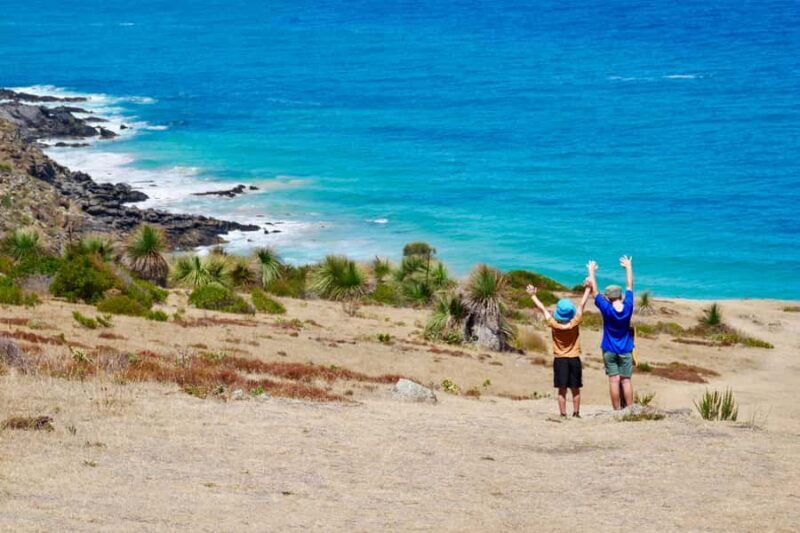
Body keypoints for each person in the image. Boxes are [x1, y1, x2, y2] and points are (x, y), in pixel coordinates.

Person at [526, 281, 592, 418]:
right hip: (574, 358)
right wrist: (588, 289)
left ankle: (562, 414)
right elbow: (582, 305)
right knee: (575, 389)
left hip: (560, 359)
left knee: (562, 390)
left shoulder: (554, 324)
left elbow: (543, 309)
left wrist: (533, 296)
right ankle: (576, 413)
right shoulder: (575, 322)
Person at [586, 256, 635, 410]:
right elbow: (630, 285)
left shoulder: (606, 308)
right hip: (626, 348)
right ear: (620, 296)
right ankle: (630, 409)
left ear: (607, 298)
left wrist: (591, 271)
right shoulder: (628, 306)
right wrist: (628, 266)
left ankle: (616, 411)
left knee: (614, 381)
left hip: (609, 348)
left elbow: (595, 292)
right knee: (626, 381)